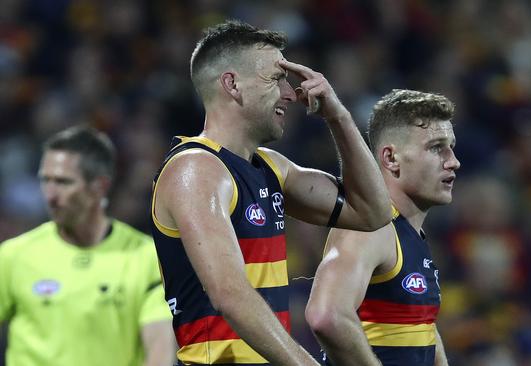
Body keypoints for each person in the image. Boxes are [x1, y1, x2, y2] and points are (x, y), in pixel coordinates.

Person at [150, 20, 392, 365]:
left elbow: (373, 212)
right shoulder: (196, 169)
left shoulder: (271, 168)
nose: (290, 93)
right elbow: (229, 294)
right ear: (232, 85)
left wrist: (338, 116)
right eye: (275, 78)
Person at [306, 89, 461, 366]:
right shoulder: (369, 229)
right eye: (437, 147)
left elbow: (421, 326)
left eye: (451, 147)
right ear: (390, 158)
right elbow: (327, 315)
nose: (453, 161)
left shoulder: (409, 232)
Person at [0, 125, 176, 366]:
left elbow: (159, 351)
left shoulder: (144, 258)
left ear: (99, 187)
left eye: (63, 182)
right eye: (45, 180)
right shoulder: (14, 255)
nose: (50, 195)